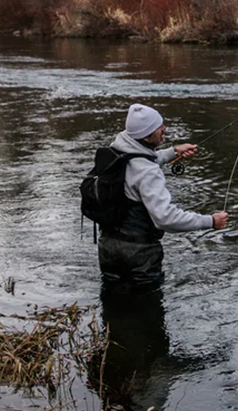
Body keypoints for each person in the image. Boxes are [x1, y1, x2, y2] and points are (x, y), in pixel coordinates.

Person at [95, 103, 228, 292]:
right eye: (159, 129)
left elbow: (139, 161)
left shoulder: (114, 153)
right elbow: (165, 218)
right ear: (147, 137)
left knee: (112, 306)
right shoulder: (149, 173)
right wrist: (210, 221)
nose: (164, 129)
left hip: (107, 249)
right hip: (139, 258)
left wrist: (174, 152)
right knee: (147, 313)